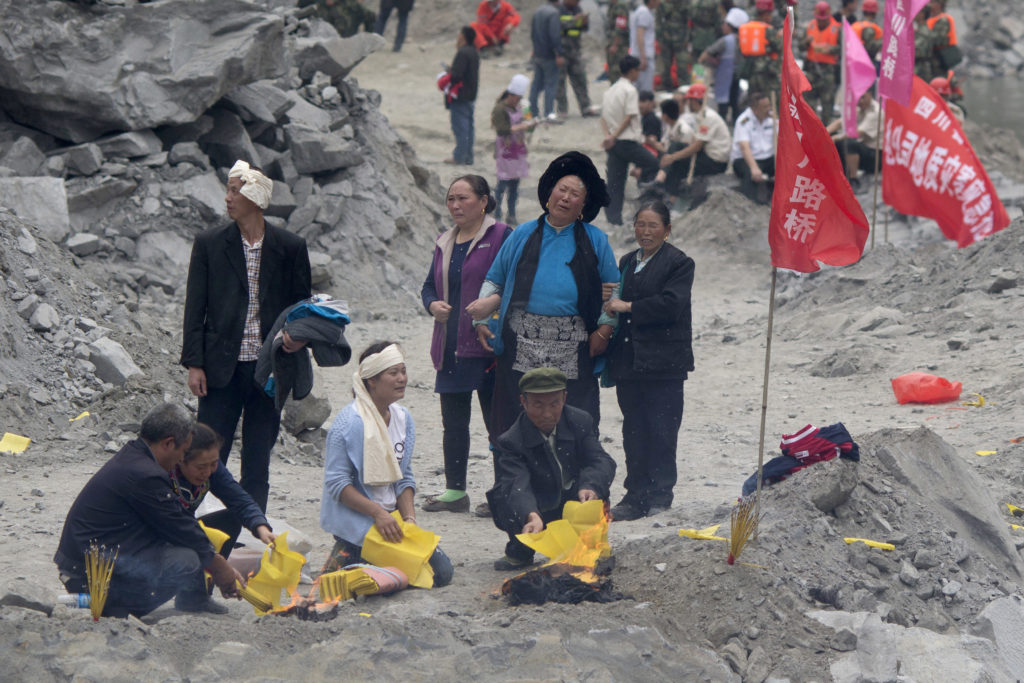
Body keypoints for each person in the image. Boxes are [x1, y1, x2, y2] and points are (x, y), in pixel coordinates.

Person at [181, 160, 312, 531]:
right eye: (228, 189)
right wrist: (194, 363)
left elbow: (302, 306)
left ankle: (249, 534)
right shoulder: (209, 244)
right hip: (221, 368)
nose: (228, 198)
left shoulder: (289, 247)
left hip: (269, 370)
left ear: (256, 197)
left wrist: (297, 336)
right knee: (204, 454)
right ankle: (185, 527)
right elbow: (196, 308)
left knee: (257, 459)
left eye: (235, 190)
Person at [467, 151, 620, 441]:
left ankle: (572, 483)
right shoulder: (522, 234)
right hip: (520, 345)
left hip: (574, 348)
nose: (565, 197)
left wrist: (603, 330)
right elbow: (494, 279)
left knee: (574, 421)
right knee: (516, 420)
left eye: (575, 194)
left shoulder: (595, 239)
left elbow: (615, 289)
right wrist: (482, 320)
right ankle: (516, 484)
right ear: (548, 194)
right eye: (561, 189)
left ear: (583, 206)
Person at [54, 403, 244, 617]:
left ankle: (92, 601)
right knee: (187, 561)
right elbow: (181, 528)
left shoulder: (134, 456)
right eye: (182, 451)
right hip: (87, 572)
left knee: (185, 546)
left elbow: (178, 522)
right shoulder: (145, 475)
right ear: (169, 443)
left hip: (82, 563)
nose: (182, 459)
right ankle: (109, 606)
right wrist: (219, 566)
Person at [320, 342, 454, 586]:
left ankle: (368, 563)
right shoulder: (349, 424)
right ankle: (349, 553)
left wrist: (409, 519)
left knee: (441, 573)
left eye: (403, 371)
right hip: (362, 520)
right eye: (393, 373)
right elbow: (337, 484)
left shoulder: (403, 418)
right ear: (371, 380)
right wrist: (378, 514)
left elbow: (403, 476)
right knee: (363, 582)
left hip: (392, 521)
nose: (402, 378)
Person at [420, 177, 512, 513]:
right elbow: (429, 286)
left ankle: (505, 491)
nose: (455, 206)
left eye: (463, 198)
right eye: (450, 200)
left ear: (484, 201)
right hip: (451, 344)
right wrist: (432, 305)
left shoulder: (502, 236)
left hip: (490, 345)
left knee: (498, 423)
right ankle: (455, 491)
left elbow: (516, 283)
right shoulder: (444, 241)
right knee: (453, 422)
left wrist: (493, 303)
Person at [600, 200, 693, 520]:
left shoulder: (680, 263)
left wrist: (627, 307)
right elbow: (611, 299)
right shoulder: (626, 261)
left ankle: (660, 494)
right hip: (629, 359)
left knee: (663, 429)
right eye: (640, 224)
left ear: (667, 230)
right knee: (634, 429)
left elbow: (671, 305)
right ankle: (634, 494)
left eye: (653, 226)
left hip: (665, 362)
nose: (646, 231)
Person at [486, 368, 616, 569]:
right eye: (538, 405)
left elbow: (601, 461)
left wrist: (590, 486)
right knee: (504, 495)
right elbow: (516, 483)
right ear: (524, 402)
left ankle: (589, 545)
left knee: (598, 486)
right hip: (539, 504)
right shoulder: (511, 440)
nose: (547, 414)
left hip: (574, 500)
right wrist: (530, 514)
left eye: (554, 404)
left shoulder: (579, 421)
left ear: (564, 398)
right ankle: (520, 549)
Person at [170, 423, 276, 612]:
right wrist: (221, 569)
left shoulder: (211, 470)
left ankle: (197, 597)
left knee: (229, 520)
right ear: (180, 459)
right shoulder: (162, 475)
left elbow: (238, 498)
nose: (208, 472)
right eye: (201, 467)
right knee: (193, 541)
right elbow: (177, 528)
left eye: (213, 464)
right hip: (162, 533)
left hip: (186, 528)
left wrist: (260, 527)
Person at [601, 56, 660, 226]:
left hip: (613, 143)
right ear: (633, 71)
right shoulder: (630, 90)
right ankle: (646, 200)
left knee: (615, 182)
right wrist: (614, 136)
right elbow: (629, 117)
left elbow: (603, 118)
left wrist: (608, 137)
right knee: (653, 163)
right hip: (626, 141)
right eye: (637, 71)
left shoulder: (610, 90)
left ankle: (614, 220)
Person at [658, 83, 731, 200]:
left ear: (695, 101)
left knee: (677, 161)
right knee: (677, 147)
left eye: (689, 100)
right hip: (708, 155)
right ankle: (663, 184)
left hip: (715, 162)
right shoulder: (700, 116)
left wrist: (673, 157)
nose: (687, 104)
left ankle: (669, 195)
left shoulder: (708, 117)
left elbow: (697, 146)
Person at [492, 75, 539, 225]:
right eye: (516, 98)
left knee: (515, 184)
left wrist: (531, 124)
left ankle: (511, 213)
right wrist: (521, 127)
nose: (518, 101)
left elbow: (526, 120)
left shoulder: (520, 107)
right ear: (511, 95)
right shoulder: (500, 109)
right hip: (505, 150)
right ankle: (497, 211)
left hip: (517, 149)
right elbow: (501, 130)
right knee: (502, 182)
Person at [826, 88, 882, 189]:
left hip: (877, 156)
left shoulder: (876, 112)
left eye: (863, 97)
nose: (860, 101)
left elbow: (856, 133)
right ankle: (840, 176)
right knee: (836, 145)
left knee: (848, 143)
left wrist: (834, 138)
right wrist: (824, 133)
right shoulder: (860, 109)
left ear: (870, 94)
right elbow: (840, 123)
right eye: (858, 98)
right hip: (864, 151)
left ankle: (853, 180)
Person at [700, 7, 747, 122]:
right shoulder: (743, 40)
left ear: (730, 26)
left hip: (724, 77)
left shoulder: (725, 41)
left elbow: (705, 56)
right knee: (735, 103)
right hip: (736, 76)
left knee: (722, 105)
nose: (722, 26)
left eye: (724, 24)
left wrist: (711, 61)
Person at [555, 0, 600, 118]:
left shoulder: (578, 10)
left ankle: (585, 107)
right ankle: (562, 110)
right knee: (559, 82)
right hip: (561, 52)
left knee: (580, 79)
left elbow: (583, 29)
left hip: (575, 52)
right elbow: (557, 27)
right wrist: (575, 20)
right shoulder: (558, 10)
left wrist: (584, 22)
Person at [730, 91, 775, 204]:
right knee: (750, 174)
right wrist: (754, 167)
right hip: (746, 159)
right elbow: (744, 147)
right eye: (765, 107)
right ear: (755, 109)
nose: (768, 109)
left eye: (769, 105)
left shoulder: (772, 120)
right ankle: (746, 204)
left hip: (767, 157)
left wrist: (778, 121)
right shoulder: (744, 121)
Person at [445, 26, 480, 166]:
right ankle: (468, 156)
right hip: (470, 94)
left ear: (463, 36)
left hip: (460, 95)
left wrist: (449, 72)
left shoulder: (463, 52)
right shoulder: (474, 52)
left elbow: (456, 75)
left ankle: (459, 157)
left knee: (460, 127)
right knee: (469, 128)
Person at [799, 1, 840, 122]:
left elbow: (843, 48)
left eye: (823, 19)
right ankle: (808, 130)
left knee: (827, 105)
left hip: (828, 72)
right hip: (812, 70)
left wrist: (830, 49)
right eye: (819, 19)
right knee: (808, 104)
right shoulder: (810, 27)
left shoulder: (837, 28)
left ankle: (826, 132)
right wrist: (806, 42)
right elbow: (800, 46)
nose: (821, 21)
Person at [738, 0, 783, 104]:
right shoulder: (768, 30)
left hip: (751, 71)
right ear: (765, 14)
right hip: (767, 72)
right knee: (770, 100)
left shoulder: (746, 27)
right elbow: (779, 47)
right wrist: (781, 36)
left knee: (754, 99)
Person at [530, 0, 565, 120]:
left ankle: (533, 113)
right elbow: (555, 36)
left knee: (536, 84)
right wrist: (559, 54)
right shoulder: (554, 13)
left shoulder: (538, 11)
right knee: (550, 85)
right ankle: (549, 113)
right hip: (549, 56)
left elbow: (532, 33)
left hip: (538, 54)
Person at [656, 0, 693, 90]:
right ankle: (666, 87)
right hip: (666, 38)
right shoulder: (663, 4)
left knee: (682, 65)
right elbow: (658, 22)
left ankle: (684, 88)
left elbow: (690, 21)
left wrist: (688, 38)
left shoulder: (686, 3)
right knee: (665, 65)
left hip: (681, 39)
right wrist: (659, 39)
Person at [629, 0, 659, 93]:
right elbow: (640, 34)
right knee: (645, 90)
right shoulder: (644, 13)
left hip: (640, 55)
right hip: (643, 56)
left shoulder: (643, 11)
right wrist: (643, 57)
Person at [312, 0, 376, 39]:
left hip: (346, 40)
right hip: (327, 39)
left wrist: (367, 37)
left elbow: (371, 17)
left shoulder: (354, 6)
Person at [926, 0, 959, 72]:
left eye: (932, 2)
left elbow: (938, 40)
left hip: (941, 57)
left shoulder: (943, 19)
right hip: (932, 57)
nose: (929, 5)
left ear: (939, 4)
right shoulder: (929, 19)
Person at [605, 0, 632, 84]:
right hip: (612, 42)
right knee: (612, 71)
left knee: (617, 71)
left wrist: (615, 45)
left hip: (619, 45)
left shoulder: (621, 5)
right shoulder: (612, 4)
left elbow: (620, 26)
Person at [912, 10, 936, 83]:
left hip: (920, 70)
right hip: (917, 69)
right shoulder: (918, 30)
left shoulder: (924, 31)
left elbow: (919, 52)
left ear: (922, 14)